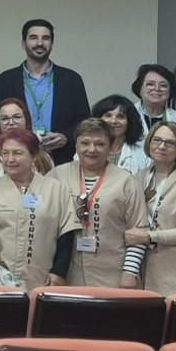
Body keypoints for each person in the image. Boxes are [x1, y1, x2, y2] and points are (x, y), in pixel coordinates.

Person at [50, 119, 146, 288]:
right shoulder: (56, 176)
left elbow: (138, 231)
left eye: (100, 144)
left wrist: (129, 272)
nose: (91, 149)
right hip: (66, 275)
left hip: (112, 275)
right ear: (76, 145)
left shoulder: (126, 181)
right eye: (85, 143)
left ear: (110, 146)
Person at [0, 128, 79, 290]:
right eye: (5, 154)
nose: (10, 159)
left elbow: (66, 235)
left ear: (33, 156)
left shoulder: (55, 189)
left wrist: (59, 272)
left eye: (17, 153)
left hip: (43, 279)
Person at [0, 18, 90, 165]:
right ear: (23, 43)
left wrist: (66, 137)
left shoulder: (71, 80)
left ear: (52, 44)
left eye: (46, 38)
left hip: (61, 160)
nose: (40, 43)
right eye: (33, 38)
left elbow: (84, 121)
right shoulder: (4, 81)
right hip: (16, 160)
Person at [130, 121, 176, 296]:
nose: (162, 146)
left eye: (170, 143)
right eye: (157, 140)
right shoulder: (138, 178)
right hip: (142, 269)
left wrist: (149, 237)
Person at [0, 96, 54, 179]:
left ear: (26, 119)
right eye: (5, 118)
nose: (11, 122)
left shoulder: (44, 157)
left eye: (16, 117)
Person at [93, 94, 152, 175]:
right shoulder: (86, 148)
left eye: (120, 117)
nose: (113, 121)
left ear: (130, 122)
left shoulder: (143, 153)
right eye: (108, 115)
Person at [131, 64, 176, 135]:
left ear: (170, 91)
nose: (157, 89)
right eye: (150, 84)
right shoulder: (127, 116)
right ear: (139, 88)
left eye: (163, 85)